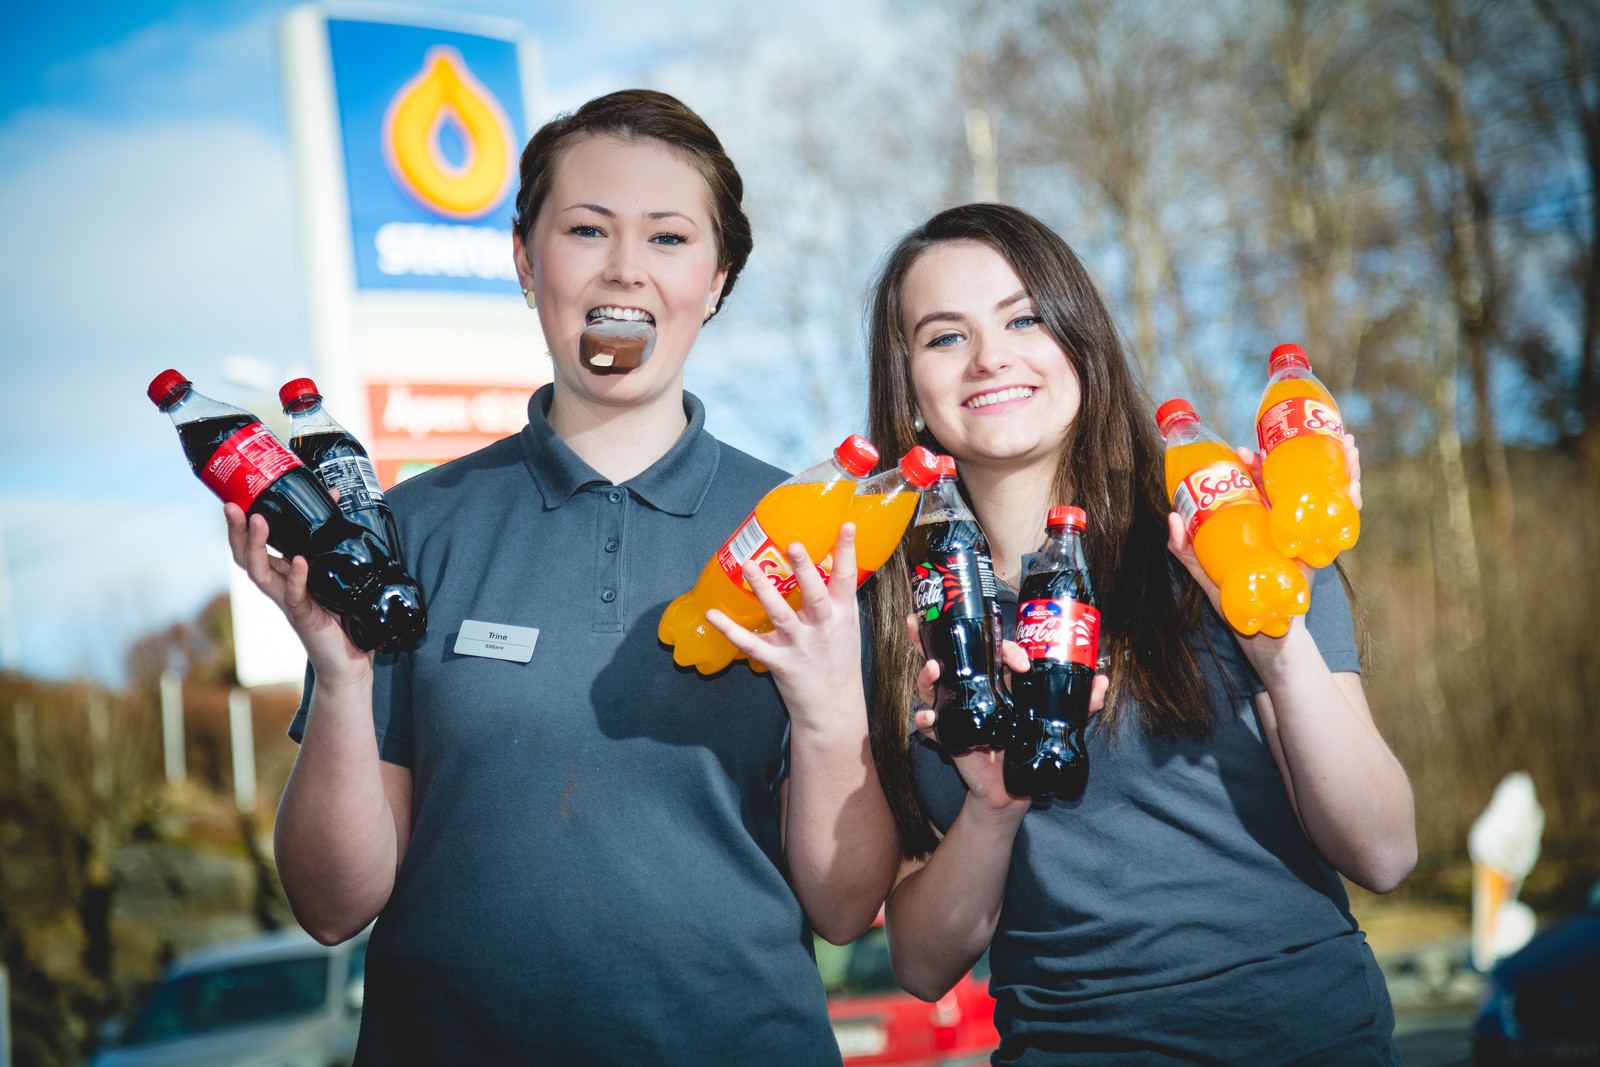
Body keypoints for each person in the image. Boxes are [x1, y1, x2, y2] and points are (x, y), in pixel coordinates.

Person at [226, 89, 897, 1064]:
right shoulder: (406, 532)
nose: (625, 266)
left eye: (669, 237)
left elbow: (844, 908)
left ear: (715, 280)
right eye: (587, 229)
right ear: (524, 260)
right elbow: (332, 907)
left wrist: (831, 711)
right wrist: (339, 674)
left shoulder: (809, 536)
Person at [858, 203, 1417, 1065]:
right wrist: (992, 810)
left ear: (1081, 339)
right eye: (945, 336)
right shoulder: (897, 612)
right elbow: (923, 965)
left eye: (1024, 319)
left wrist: (1277, 648)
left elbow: (1383, 852)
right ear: (909, 383)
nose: (989, 356)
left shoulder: (1221, 534)